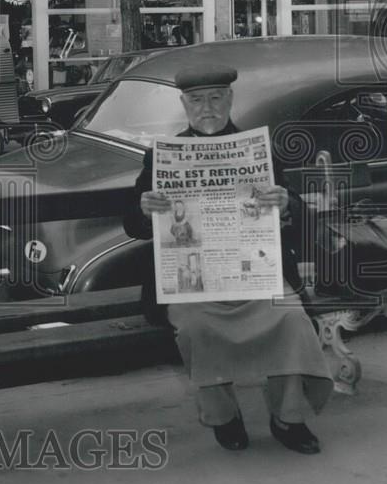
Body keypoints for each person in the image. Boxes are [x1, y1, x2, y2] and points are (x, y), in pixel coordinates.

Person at [123, 64, 332, 455]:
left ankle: (288, 416)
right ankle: (223, 416)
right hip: (194, 282)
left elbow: (298, 219)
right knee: (195, 327)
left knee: (290, 318)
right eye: (197, 100)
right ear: (183, 104)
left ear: (230, 100)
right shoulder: (164, 157)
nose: (207, 108)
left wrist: (287, 204)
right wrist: (144, 208)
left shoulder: (258, 150)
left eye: (216, 98)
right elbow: (132, 226)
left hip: (255, 275)